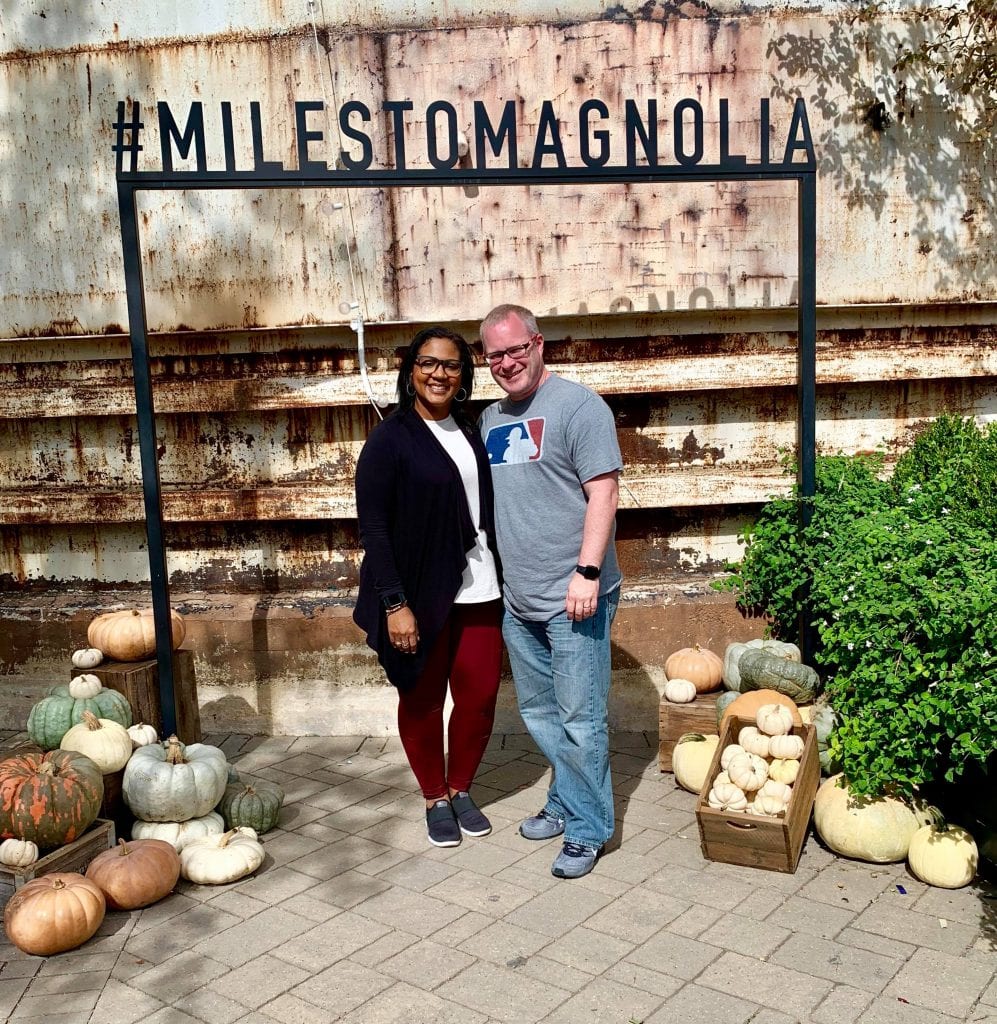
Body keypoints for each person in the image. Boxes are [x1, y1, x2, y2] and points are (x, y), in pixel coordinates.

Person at [479, 303, 622, 879]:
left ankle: (590, 830)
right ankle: (566, 801)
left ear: (539, 344)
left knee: (583, 719)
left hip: (574, 597)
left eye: (517, 349)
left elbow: (604, 492)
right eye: (495, 354)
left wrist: (587, 572)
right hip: (521, 599)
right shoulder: (491, 419)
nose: (508, 362)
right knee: (541, 713)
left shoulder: (579, 407)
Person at [353, 327, 503, 848]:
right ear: (411, 370)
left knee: (480, 695)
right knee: (421, 697)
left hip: (480, 585)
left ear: (464, 377)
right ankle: (434, 797)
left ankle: (462, 788)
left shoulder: (471, 428)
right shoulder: (390, 438)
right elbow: (373, 527)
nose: (439, 373)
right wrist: (395, 603)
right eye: (428, 363)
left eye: (451, 365)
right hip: (418, 593)